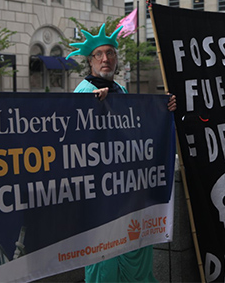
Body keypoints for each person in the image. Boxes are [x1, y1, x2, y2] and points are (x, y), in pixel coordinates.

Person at [66, 23, 176, 282]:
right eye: (99, 55)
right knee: (104, 264)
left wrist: (164, 109)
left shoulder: (122, 91)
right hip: (101, 200)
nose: (106, 59)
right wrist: (93, 107)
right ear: (90, 62)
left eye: (111, 53)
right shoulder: (84, 92)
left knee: (137, 255)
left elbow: (139, 130)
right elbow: (73, 140)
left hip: (129, 194)